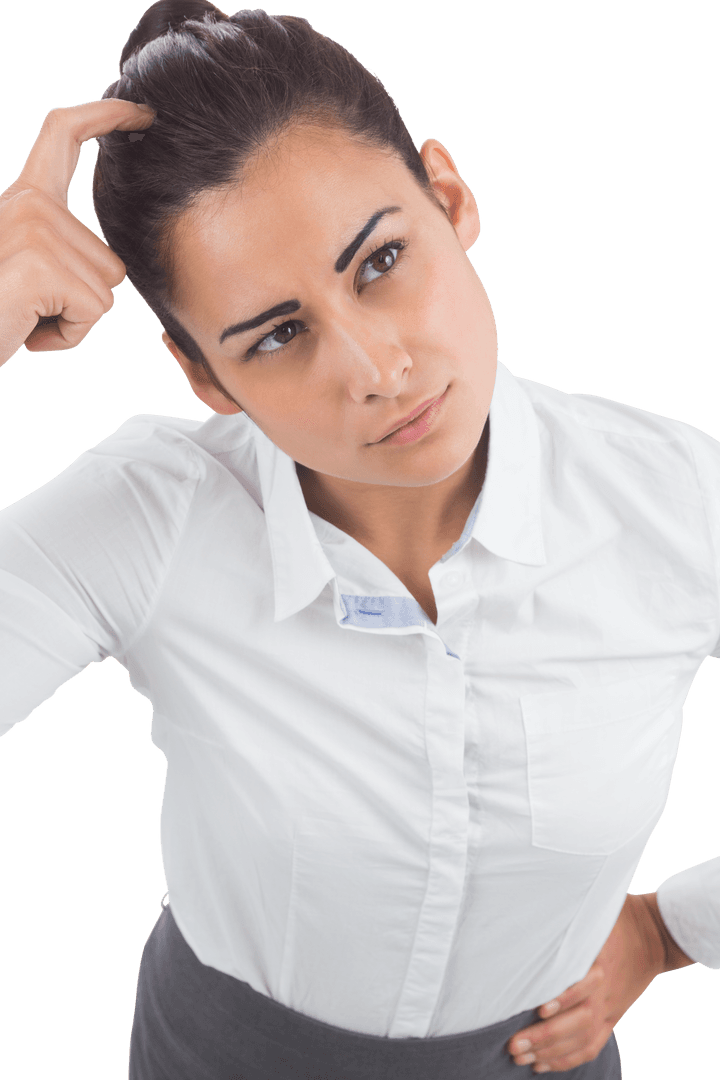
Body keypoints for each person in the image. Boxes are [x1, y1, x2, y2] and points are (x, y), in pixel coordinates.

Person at [0, 1, 717, 1077]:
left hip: (543, 1056)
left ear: (450, 196)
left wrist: (671, 929)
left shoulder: (672, 499)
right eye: (279, 335)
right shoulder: (153, 513)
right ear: (206, 377)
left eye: (380, 261)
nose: (376, 369)